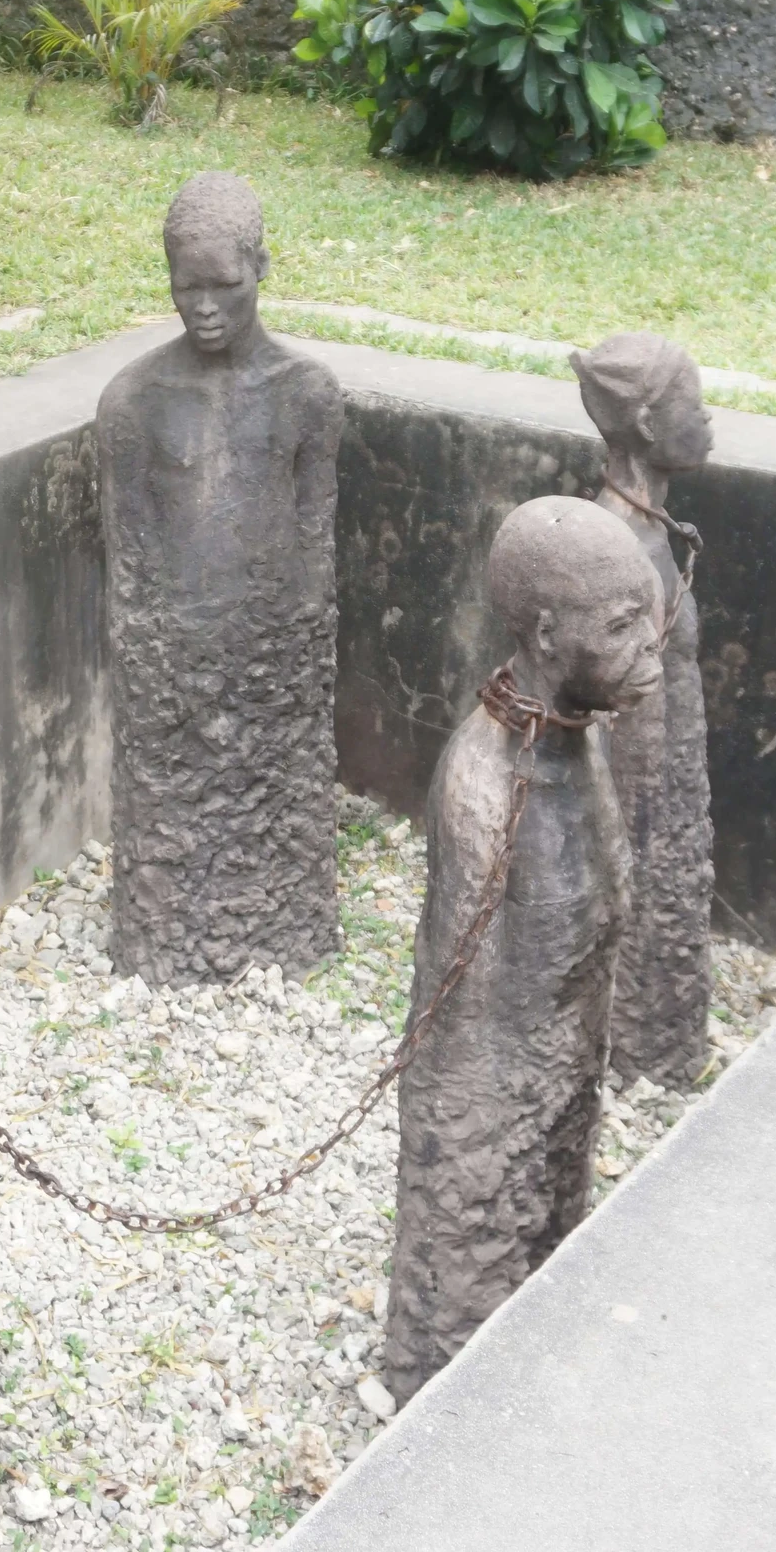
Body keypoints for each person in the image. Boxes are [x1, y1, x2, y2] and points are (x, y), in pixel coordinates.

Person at [383, 497, 664, 1407]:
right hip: (496, 1100)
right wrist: (476, 1171)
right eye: (623, 627)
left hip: (561, 1073)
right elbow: (456, 1018)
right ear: (548, 635)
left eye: (651, 616)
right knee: (480, 1283)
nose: (651, 645)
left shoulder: (577, 741)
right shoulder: (481, 783)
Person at [95, 170, 346, 984]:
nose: (204, 306)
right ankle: (166, 942)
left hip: (272, 671)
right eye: (185, 286)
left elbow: (314, 561)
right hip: (172, 675)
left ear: (262, 270)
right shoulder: (133, 401)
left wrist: (283, 681)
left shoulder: (307, 395)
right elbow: (128, 568)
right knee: (173, 836)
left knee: (273, 818)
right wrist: (163, 678)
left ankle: (284, 928)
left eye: (224, 286)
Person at [572, 332, 718, 1088]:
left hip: (668, 808)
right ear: (650, 426)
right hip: (640, 811)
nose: (710, 418)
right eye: (694, 404)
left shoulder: (652, 534)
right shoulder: (619, 552)